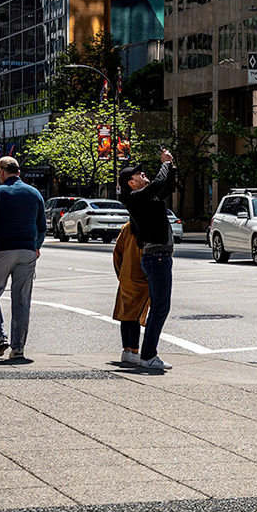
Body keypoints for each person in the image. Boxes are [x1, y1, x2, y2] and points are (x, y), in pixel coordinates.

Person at [0, 156, 45, 361]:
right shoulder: (35, 193)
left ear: (1, 172)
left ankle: (0, 336)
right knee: (22, 300)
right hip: (27, 251)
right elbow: (42, 227)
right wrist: (36, 246)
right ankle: (18, 348)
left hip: (2, 249)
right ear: (18, 171)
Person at [118, 150, 177, 370]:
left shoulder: (148, 197)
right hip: (156, 257)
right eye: (138, 174)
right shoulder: (135, 198)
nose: (143, 174)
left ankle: (147, 354)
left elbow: (167, 186)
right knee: (160, 307)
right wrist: (165, 164)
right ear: (131, 183)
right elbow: (159, 182)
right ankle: (148, 355)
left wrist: (171, 166)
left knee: (160, 307)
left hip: (159, 257)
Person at [111, 221, 149, 368]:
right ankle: (134, 350)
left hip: (126, 276)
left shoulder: (127, 227)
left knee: (126, 314)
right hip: (141, 278)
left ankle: (127, 349)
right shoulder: (146, 226)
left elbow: (117, 252)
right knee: (135, 315)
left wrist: (121, 273)